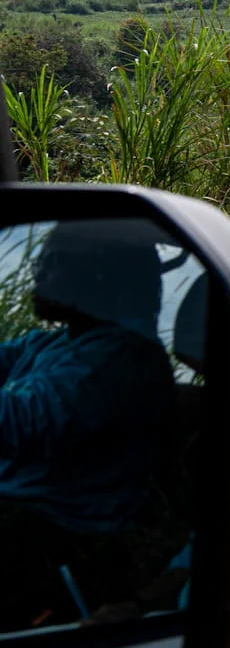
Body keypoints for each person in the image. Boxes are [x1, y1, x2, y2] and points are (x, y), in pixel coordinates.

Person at [0, 220, 181, 630]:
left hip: (58, 540)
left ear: (96, 276)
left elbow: (20, 423)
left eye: (52, 262)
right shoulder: (50, 344)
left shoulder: (121, 357)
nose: (37, 270)